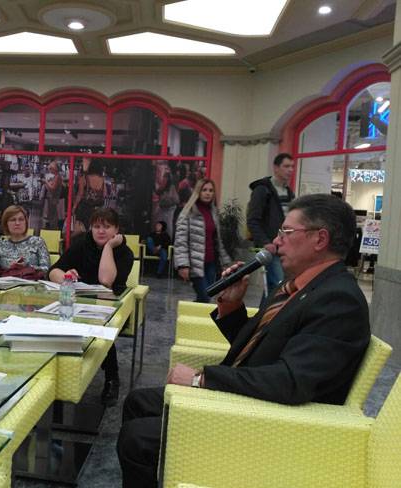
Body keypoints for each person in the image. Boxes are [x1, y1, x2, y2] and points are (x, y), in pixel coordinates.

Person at [117, 194, 371, 488]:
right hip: (250, 396)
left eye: (286, 232)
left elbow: (291, 381)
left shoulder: (339, 300)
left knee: (138, 440)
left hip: (271, 424)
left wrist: (200, 379)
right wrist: (232, 305)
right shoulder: (296, 286)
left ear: (320, 239)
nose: (276, 242)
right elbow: (258, 347)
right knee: (138, 402)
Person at [49, 208, 134, 406]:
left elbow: (106, 280)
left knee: (100, 325)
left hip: (113, 308)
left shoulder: (125, 253)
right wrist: (66, 276)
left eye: (107, 226)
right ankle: (63, 372)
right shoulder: (81, 244)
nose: (101, 231)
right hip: (80, 302)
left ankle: (112, 377)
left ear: (116, 230)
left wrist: (108, 247)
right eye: (96, 226)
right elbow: (53, 271)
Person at [173, 179, 231, 302]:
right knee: (205, 297)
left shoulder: (213, 212)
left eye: (211, 190)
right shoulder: (188, 212)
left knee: (205, 298)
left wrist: (225, 262)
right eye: (204, 190)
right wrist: (183, 265)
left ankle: (190, 315)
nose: (208, 193)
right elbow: (180, 241)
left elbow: (218, 241)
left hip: (211, 263)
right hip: (195, 265)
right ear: (198, 192)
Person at [247, 152, 295, 295]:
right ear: (276, 168)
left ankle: (266, 309)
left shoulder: (288, 192)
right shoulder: (262, 190)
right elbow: (253, 219)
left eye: (292, 167)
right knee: (278, 283)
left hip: (285, 246)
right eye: (286, 166)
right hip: (270, 246)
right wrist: (265, 242)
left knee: (274, 287)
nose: (290, 170)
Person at [0, 205, 50, 278]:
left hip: (30, 282)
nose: (17, 223)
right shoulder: (1, 244)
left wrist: (26, 269)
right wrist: (8, 272)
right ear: (6, 224)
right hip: (6, 283)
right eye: (13, 220)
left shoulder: (37, 242)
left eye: (21, 219)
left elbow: (46, 270)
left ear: (26, 222)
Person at [73, 158, 106, 231]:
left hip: (85, 208)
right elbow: (104, 194)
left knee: (80, 229)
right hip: (97, 209)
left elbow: (80, 194)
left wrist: (74, 206)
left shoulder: (85, 178)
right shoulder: (102, 179)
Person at [42, 161, 65, 230]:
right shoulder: (55, 176)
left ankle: (53, 229)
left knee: (53, 217)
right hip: (52, 199)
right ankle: (52, 229)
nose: (50, 171)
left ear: (54, 169)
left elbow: (53, 188)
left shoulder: (57, 177)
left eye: (50, 169)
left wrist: (46, 182)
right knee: (51, 216)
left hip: (54, 199)